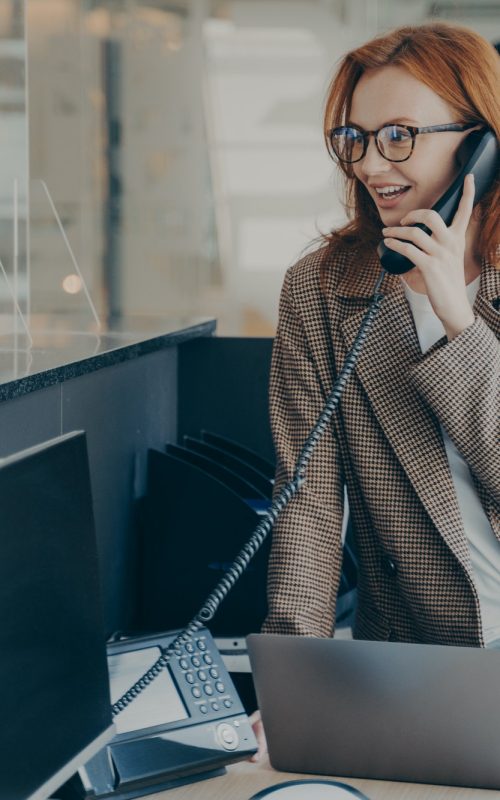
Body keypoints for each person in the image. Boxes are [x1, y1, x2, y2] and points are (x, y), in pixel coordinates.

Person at [250, 21, 499, 760]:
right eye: (355, 138)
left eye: (399, 136)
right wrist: (293, 677)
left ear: (482, 143)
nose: (370, 164)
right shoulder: (324, 289)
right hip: (415, 666)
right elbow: (310, 498)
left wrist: (458, 318)